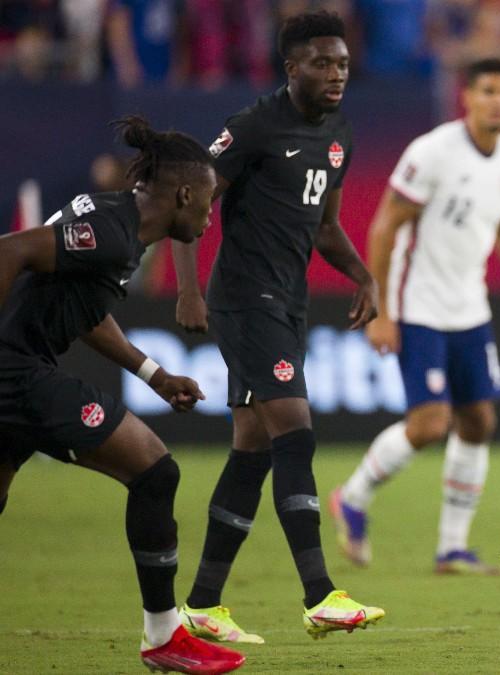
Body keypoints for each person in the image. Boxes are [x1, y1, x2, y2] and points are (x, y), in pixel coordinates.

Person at [0, 117, 244, 674]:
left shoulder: (116, 223)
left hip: (19, 370)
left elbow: (83, 310)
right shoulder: (113, 230)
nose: (209, 219)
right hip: (16, 371)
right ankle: (164, 636)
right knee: (155, 471)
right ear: (183, 194)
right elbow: (9, 250)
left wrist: (154, 374)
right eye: (207, 204)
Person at [171, 10, 384, 643]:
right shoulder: (254, 127)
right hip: (243, 299)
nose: (336, 73)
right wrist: (186, 288)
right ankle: (320, 593)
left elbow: (324, 226)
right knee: (295, 428)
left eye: (342, 63)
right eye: (322, 62)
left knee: (253, 444)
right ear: (291, 68)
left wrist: (364, 276)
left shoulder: (339, 133)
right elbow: (190, 196)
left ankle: (203, 603)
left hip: (287, 301)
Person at [329, 57, 500, 574]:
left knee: (479, 420)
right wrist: (380, 309)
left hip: (470, 310)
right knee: (430, 423)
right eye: (488, 90)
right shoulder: (433, 152)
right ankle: (352, 497)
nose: (499, 100)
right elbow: (385, 227)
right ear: (467, 96)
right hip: (418, 308)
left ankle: (452, 547)